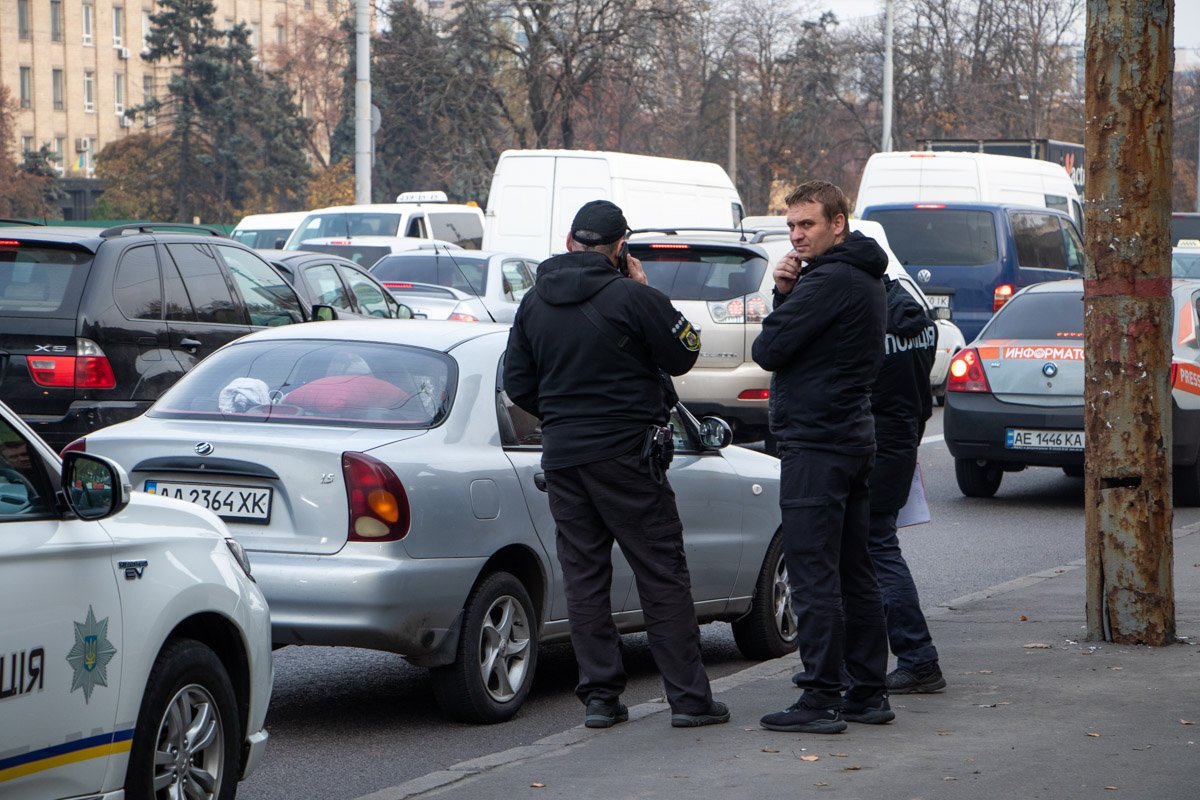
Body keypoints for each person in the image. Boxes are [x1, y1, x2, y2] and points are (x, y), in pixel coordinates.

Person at [504, 200, 729, 730]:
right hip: (628, 457)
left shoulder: (533, 303)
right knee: (661, 574)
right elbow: (686, 352)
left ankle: (601, 699)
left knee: (584, 579)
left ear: (569, 241)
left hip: (563, 458)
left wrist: (564, 415)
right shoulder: (632, 297)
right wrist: (648, 292)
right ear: (619, 247)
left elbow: (518, 383)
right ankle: (690, 701)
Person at [752, 181, 892, 734]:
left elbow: (769, 348)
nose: (796, 236)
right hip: (852, 437)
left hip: (818, 442)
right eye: (790, 226)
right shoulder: (867, 276)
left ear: (839, 222)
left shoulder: (829, 280)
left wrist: (784, 296)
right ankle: (867, 690)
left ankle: (821, 698)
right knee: (856, 570)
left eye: (806, 224)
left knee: (813, 573)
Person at [870, 279, 946, 694]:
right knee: (874, 548)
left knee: (876, 549)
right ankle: (868, 661)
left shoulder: (870, 318)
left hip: (876, 444)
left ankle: (918, 657)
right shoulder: (918, 320)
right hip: (900, 441)